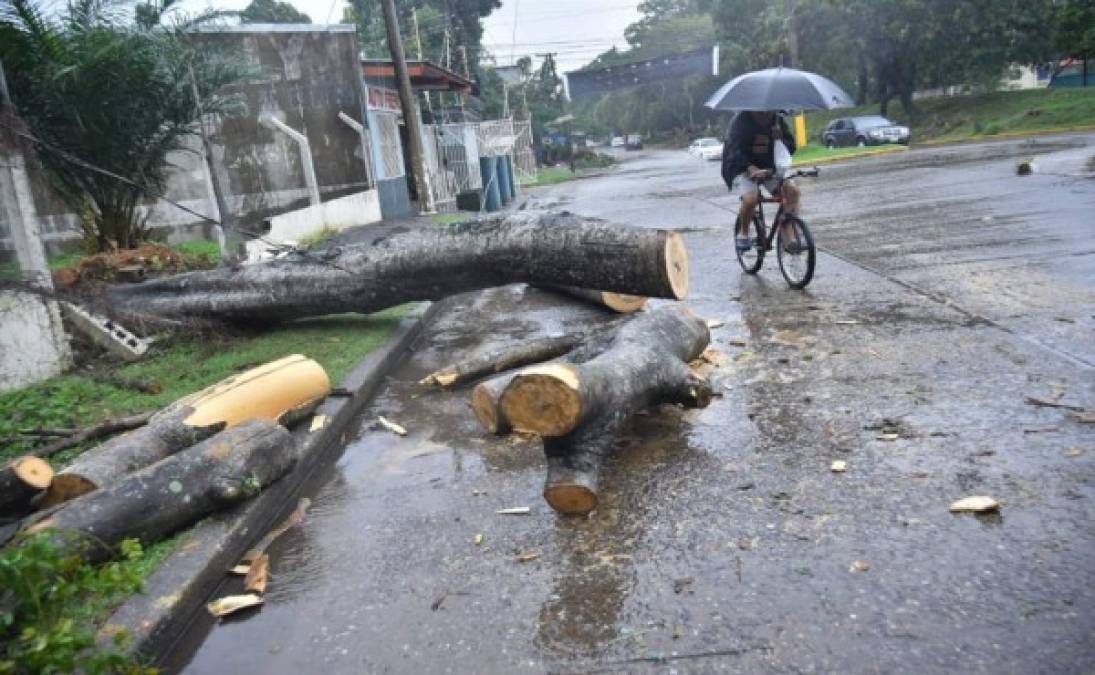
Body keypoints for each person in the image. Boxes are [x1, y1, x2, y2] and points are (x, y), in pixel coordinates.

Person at [720, 110, 799, 253]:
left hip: (767, 168)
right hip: (741, 167)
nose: (766, 113)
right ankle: (743, 233)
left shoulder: (777, 120)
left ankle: (787, 232)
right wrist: (749, 168)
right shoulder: (740, 121)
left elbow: (791, 147)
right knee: (751, 199)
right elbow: (733, 151)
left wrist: (781, 139)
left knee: (792, 192)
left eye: (769, 110)